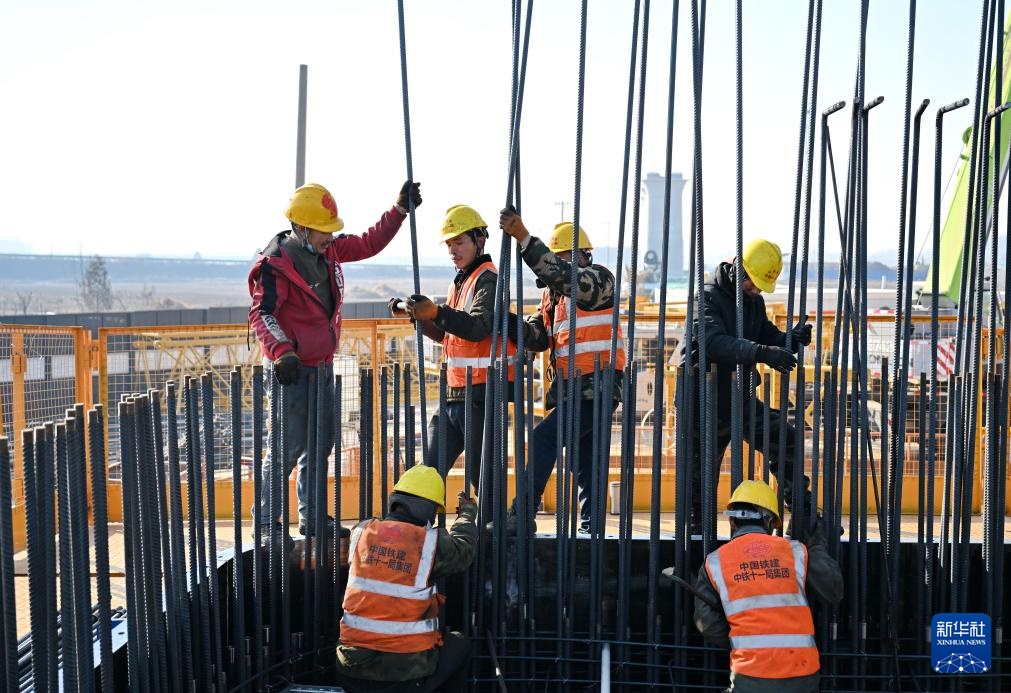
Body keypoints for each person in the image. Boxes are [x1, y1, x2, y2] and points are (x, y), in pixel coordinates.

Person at [249, 180, 422, 538]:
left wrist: (399, 211)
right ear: (301, 228)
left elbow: (368, 243)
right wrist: (282, 352)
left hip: (322, 366)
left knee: (319, 446)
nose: (330, 237)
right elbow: (261, 314)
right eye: (323, 231)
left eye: (331, 230)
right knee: (286, 447)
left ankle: (312, 519)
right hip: (291, 371)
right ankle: (266, 523)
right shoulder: (275, 264)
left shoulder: (326, 252)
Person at [496, 208, 626, 534]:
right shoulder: (553, 297)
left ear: (583, 256)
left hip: (598, 386)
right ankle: (592, 530)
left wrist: (525, 240)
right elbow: (538, 337)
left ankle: (520, 516)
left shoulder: (599, 281)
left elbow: (567, 279)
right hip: (574, 390)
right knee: (588, 463)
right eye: (559, 259)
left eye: (566, 258)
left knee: (543, 440)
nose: (561, 265)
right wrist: (507, 322)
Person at [677, 238, 813, 535]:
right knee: (699, 484)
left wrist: (788, 339)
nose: (756, 291)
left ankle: (804, 514)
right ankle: (698, 540)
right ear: (739, 270)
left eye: (760, 288)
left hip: (738, 398)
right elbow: (714, 343)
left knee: (785, 438)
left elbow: (762, 331)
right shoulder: (707, 297)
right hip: (703, 403)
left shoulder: (752, 299)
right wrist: (763, 353)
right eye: (752, 284)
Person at [389, 205, 516, 493]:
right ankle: (413, 529)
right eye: (449, 244)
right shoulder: (461, 281)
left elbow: (478, 327)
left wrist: (436, 311)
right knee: (428, 472)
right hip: (455, 394)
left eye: (459, 242)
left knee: (484, 482)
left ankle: (492, 534)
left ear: (479, 240)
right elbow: (448, 336)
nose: (453, 250)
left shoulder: (489, 280)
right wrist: (418, 316)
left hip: (481, 397)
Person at [334, 464, 478, 693]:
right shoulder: (428, 542)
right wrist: (467, 513)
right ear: (428, 510)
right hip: (403, 678)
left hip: (350, 672)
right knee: (460, 644)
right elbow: (464, 550)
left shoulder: (360, 531)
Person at [692, 479, 843, 693]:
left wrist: (742, 640)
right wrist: (818, 547)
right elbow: (833, 591)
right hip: (803, 676)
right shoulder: (796, 552)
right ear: (771, 523)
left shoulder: (714, 562)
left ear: (733, 522)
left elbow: (706, 623)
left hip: (750, 678)